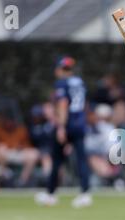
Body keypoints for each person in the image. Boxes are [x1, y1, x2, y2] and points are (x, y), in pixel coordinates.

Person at [35, 56, 92, 208]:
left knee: (57, 159)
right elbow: (83, 104)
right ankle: (85, 193)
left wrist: (60, 127)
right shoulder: (80, 82)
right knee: (81, 159)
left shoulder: (62, 83)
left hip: (67, 124)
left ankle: (50, 194)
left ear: (59, 69)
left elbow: (63, 104)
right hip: (80, 124)